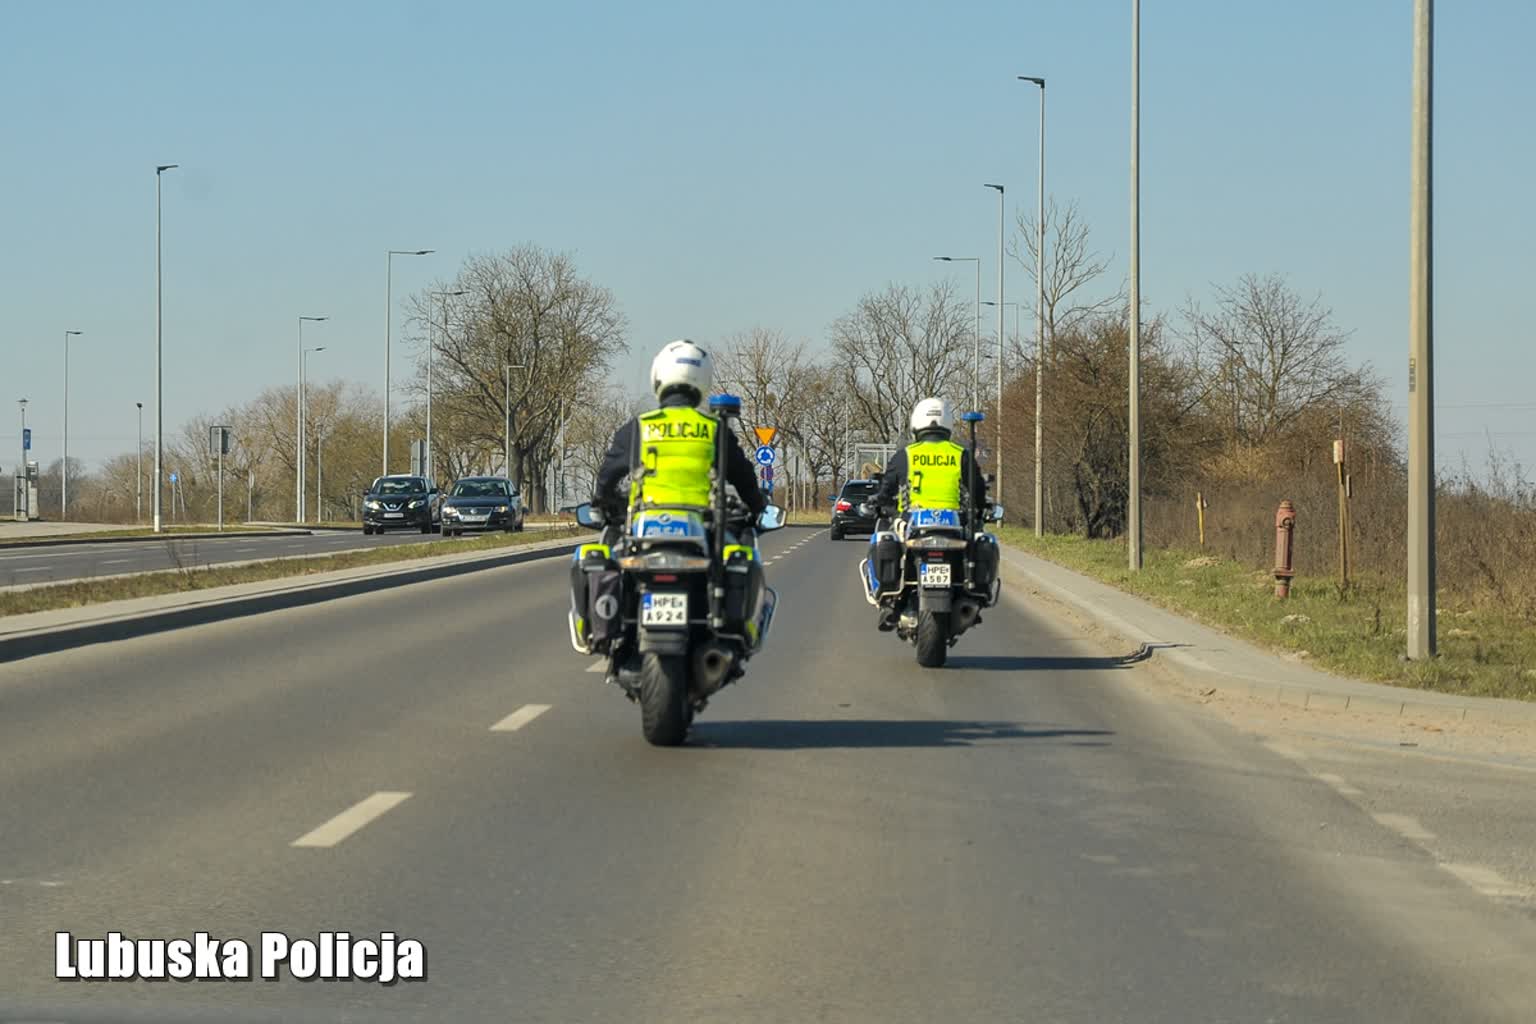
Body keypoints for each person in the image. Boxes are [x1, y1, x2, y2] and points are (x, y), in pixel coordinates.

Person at [592, 339, 767, 534]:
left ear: (657, 376)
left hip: (645, 526)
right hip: (702, 524)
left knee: (608, 548)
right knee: (742, 551)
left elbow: (607, 476)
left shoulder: (639, 427)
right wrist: (757, 508)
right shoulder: (714, 428)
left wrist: (601, 503)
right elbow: (744, 477)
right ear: (704, 380)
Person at [871, 397, 987, 520]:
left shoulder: (905, 455)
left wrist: (878, 502)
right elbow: (978, 491)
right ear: (948, 423)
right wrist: (982, 508)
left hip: (912, 524)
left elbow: (886, 492)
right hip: (955, 524)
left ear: (916, 423)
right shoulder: (962, 455)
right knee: (983, 538)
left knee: (883, 537)